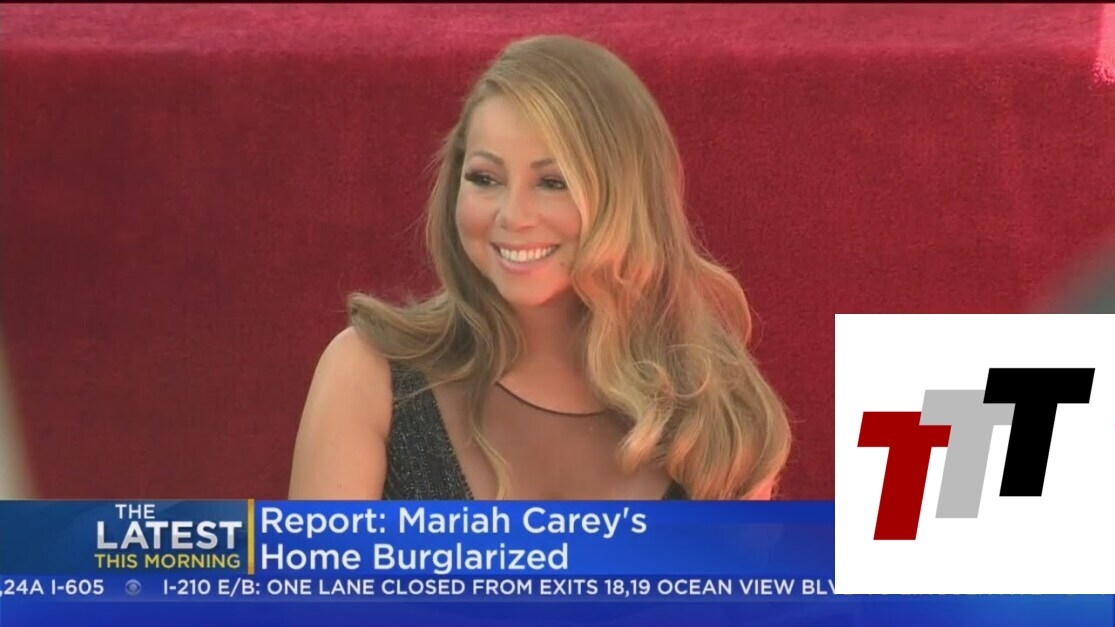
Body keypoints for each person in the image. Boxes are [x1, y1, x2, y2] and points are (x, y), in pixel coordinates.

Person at [288, 34, 791, 501]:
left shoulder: (719, 416)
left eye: (553, 182)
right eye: (485, 178)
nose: (513, 216)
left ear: (627, 199)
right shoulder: (368, 375)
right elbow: (316, 574)